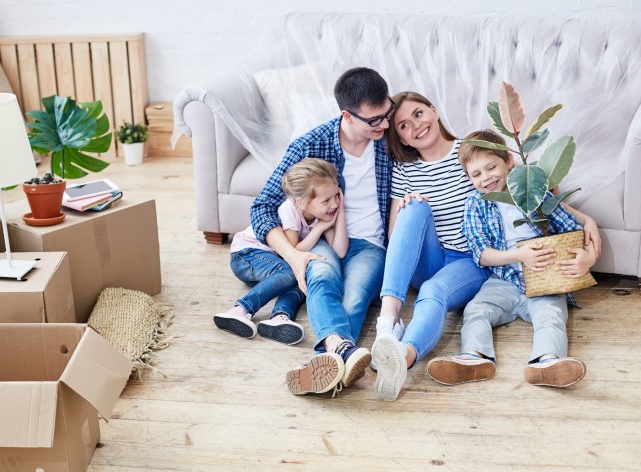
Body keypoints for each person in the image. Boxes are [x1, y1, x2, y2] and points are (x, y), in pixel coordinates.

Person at [370, 92, 601, 401]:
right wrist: (410, 205)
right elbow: (397, 235)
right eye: (403, 125)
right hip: (437, 258)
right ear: (400, 136)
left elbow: (530, 188)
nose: (415, 125)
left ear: (433, 111)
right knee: (411, 209)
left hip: (472, 262)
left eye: (418, 114)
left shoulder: (473, 151)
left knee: (437, 293)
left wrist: (587, 222)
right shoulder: (405, 169)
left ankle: (403, 355)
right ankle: (388, 326)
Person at [250, 67, 394, 395]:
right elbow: (262, 206)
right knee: (322, 277)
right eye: (374, 120)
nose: (384, 124)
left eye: (387, 113)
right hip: (323, 236)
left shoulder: (390, 140)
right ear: (347, 115)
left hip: (371, 244)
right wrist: (293, 256)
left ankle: (325, 361)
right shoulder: (311, 144)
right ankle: (340, 356)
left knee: (355, 296)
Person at [426, 129, 596, 388]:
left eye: (491, 167)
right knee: (476, 310)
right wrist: (518, 255)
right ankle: (475, 357)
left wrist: (587, 258)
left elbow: (571, 229)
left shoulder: (534, 191)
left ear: (508, 161)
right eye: (476, 174)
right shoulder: (475, 204)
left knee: (550, 315)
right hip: (502, 278)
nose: (486, 178)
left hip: (544, 279)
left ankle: (547, 362)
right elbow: (481, 254)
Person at [214, 158, 348, 347]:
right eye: (327, 200)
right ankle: (240, 309)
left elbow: (340, 251)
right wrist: (320, 229)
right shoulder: (290, 210)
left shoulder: (324, 213)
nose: (333, 204)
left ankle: (280, 317)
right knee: (292, 270)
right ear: (302, 203)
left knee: (302, 280)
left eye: (336, 196)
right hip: (247, 255)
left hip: (273, 267)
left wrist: (340, 213)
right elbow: (292, 252)